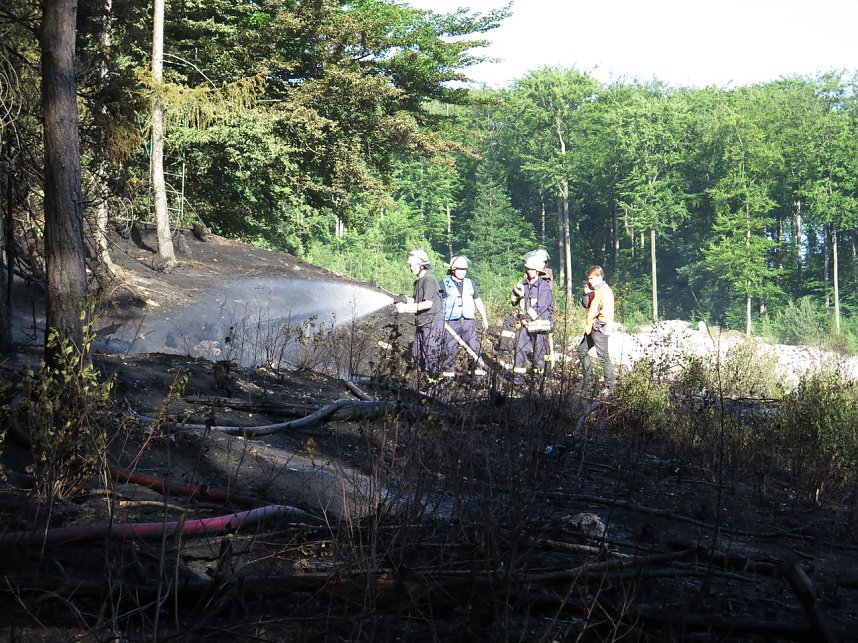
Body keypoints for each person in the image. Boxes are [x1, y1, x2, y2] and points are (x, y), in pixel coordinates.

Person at [395, 249, 445, 376]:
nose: (410, 268)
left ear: (422, 265)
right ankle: (425, 380)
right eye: (409, 265)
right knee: (417, 353)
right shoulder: (417, 282)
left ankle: (434, 384)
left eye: (412, 265)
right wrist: (407, 300)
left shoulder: (429, 279)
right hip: (422, 323)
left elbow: (427, 304)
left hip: (432, 323)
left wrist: (405, 308)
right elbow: (418, 300)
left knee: (431, 355)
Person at [440, 255, 489, 380]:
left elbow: (477, 300)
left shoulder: (470, 283)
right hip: (451, 323)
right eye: (460, 269)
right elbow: (438, 304)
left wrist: (484, 318)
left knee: (474, 347)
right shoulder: (444, 284)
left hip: (468, 322)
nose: (463, 272)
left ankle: (478, 377)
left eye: (464, 269)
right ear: (453, 269)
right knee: (449, 349)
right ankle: (447, 378)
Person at [510, 254, 554, 384]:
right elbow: (513, 303)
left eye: (532, 269)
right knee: (520, 351)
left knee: (539, 354)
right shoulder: (522, 284)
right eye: (528, 269)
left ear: (537, 271)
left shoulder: (544, 287)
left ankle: (537, 381)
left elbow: (542, 307)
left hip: (538, 327)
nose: (529, 272)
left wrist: (527, 318)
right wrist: (515, 293)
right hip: (524, 325)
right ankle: (517, 380)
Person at [577, 265, 615, 394]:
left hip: (599, 330)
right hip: (592, 329)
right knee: (581, 351)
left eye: (591, 278)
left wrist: (596, 326)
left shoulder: (605, 291)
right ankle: (590, 380)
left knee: (603, 358)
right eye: (588, 278)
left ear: (599, 277)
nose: (589, 281)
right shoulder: (595, 290)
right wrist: (585, 294)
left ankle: (610, 387)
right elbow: (586, 305)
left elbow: (606, 313)